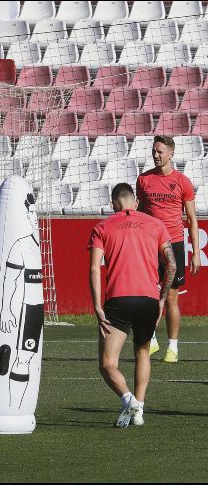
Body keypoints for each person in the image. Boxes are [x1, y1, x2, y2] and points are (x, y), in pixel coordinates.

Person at [89, 183, 176, 428]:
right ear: (136, 203)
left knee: (107, 364)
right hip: (149, 299)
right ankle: (139, 408)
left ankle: (129, 400)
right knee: (142, 353)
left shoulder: (102, 227)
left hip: (118, 299)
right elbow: (172, 264)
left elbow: (95, 268)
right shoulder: (156, 225)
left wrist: (97, 305)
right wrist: (161, 300)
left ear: (113, 204)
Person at [136, 135, 200, 363]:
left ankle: (172, 347)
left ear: (171, 153)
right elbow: (141, 213)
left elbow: (192, 219)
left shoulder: (182, 182)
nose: (156, 155)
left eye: (160, 151)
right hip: (148, 245)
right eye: (154, 151)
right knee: (147, 294)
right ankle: (150, 339)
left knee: (172, 297)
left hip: (174, 244)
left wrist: (196, 254)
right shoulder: (143, 180)